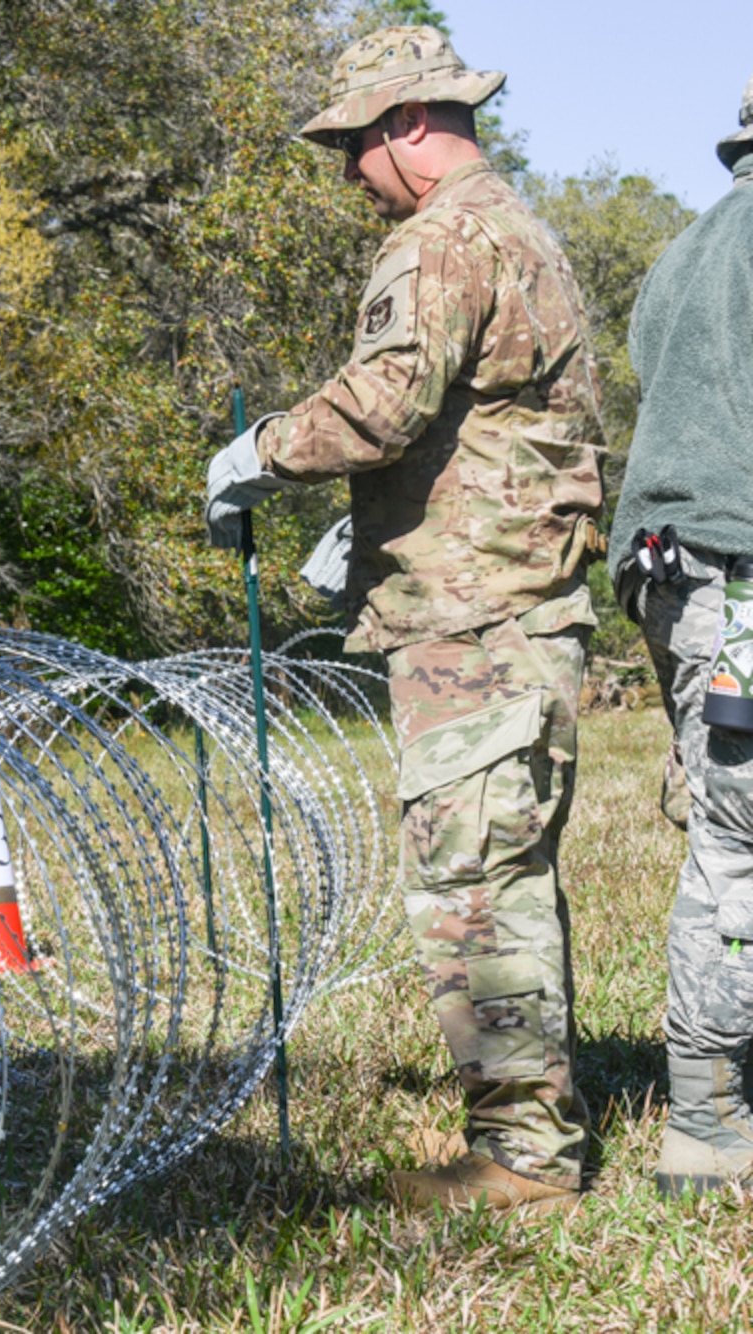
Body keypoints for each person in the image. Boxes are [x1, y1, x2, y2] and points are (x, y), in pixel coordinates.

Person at [205, 26, 605, 1214]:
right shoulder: (518, 229)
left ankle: (524, 1161)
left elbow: (381, 405)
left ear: (404, 127)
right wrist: (377, 530)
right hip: (505, 596)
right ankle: (527, 1128)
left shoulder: (438, 239)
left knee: (473, 879)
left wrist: (259, 453)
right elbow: (479, 431)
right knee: (505, 867)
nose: (347, 175)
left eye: (351, 147)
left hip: (477, 617)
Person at [611, 73, 753, 1198]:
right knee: (739, 845)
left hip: (675, 575)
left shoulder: (681, 251)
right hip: (740, 577)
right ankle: (706, 1120)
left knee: (729, 823)